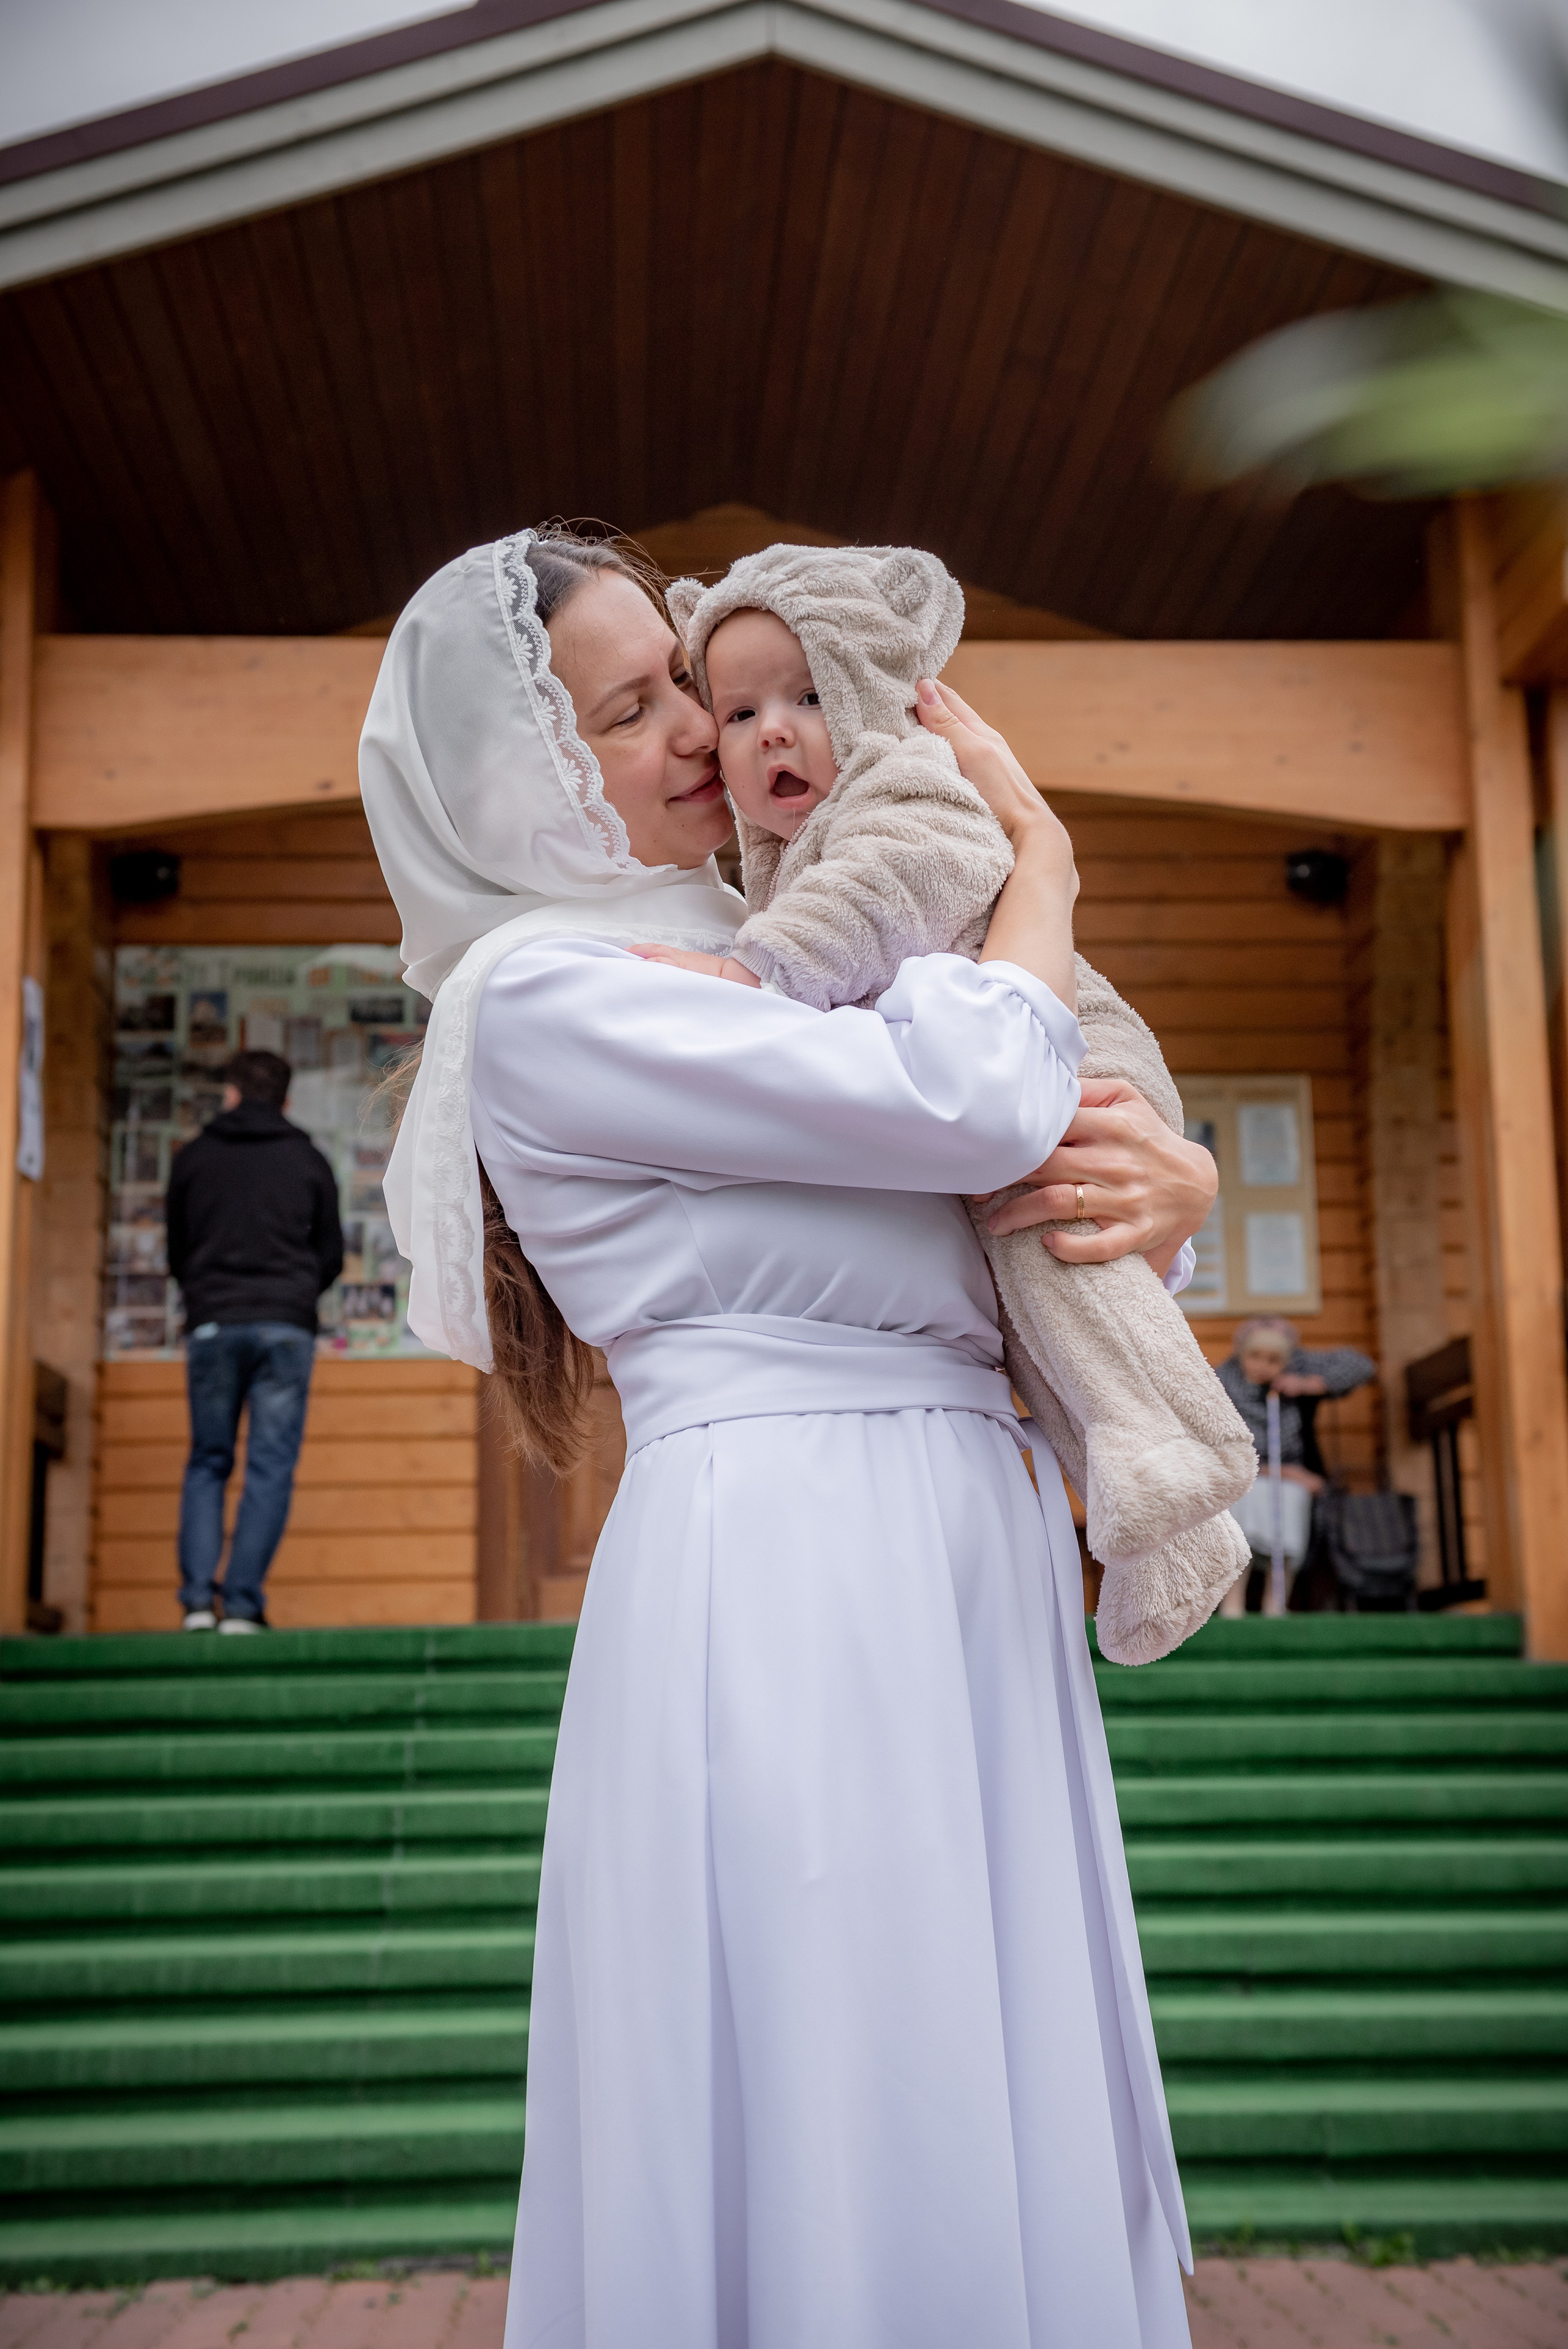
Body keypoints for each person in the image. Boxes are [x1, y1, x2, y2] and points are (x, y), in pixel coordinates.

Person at [361, 527, 1217, 2348]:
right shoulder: (549, 998)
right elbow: (973, 1089)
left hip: (959, 1541)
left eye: (684, 678)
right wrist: (1041, 868)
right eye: (627, 709)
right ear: (524, 772)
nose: (695, 725)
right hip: (789, 1555)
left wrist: (1178, 1176)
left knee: (978, 2026)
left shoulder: (764, 933)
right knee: (852, 2033)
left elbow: (1024, 1188)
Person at [641, 543, 1254, 1663]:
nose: (774, 727)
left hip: (1082, 1065)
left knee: (1047, 1262)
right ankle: (1170, 1535)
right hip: (1005, 1098)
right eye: (740, 710)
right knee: (1032, 1308)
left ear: (881, 697)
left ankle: (1175, 1449)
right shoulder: (780, 854)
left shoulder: (907, 789)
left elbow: (891, 887)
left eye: (816, 692)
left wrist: (758, 972)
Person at [165, 1048, 343, 1632]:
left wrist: (206, 1296)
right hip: (285, 1326)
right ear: (286, 1100)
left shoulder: (195, 1158)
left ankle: (196, 1603)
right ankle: (241, 1606)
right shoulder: (308, 1159)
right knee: (269, 1466)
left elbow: (177, 1248)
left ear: (233, 1093)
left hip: (213, 1323)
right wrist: (292, 1297)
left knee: (208, 1460)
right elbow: (331, 1255)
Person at [1216, 1315, 1377, 1614]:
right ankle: (1233, 1603)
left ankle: (1276, 1602)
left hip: (1290, 1481)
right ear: (1241, 1355)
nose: (1263, 1365)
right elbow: (1220, 1454)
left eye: (1274, 1360)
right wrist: (1288, 1473)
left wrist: (1308, 1385)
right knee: (1244, 1501)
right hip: (1240, 1476)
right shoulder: (1220, 1383)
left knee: (1294, 1499)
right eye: (1255, 1356)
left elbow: (1361, 1365)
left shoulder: (1295, 1374)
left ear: (1286, 1362)